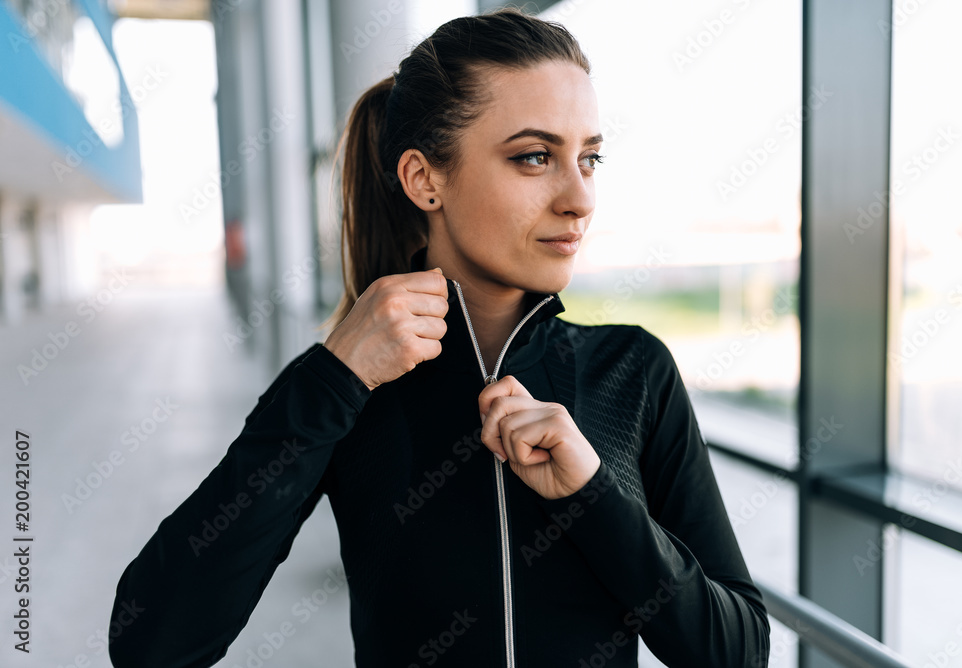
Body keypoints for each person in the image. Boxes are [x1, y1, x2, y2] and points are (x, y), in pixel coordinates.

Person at [108, 7, 770, 667]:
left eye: (589, 158)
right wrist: (333, 380)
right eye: (536, 157)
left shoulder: (632, 370)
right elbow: (152, 643)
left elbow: (737, 652)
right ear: (426, 180)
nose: (580, 197)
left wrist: (592, 495)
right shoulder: (344, 388)